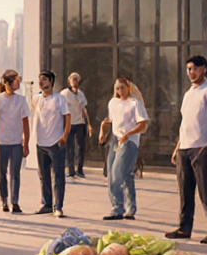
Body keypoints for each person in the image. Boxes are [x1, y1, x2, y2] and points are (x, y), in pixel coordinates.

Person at [166, 55, 207, 244]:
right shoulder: (188, 94)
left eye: (194, 68)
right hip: (185, 147)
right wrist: (177, 147)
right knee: (185, 192)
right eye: (188, 69)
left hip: (202, 148)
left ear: (204, 69)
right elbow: (185, 122)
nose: (191, 72)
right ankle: (184, 228)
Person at [0, 69, 30, 214]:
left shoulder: (21, 100)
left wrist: (26, 144)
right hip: (0, 142)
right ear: (8, 83)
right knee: (1, 173)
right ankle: (4, 200)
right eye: (15, 81)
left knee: (15, 173)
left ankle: (14, 202)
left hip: (16, 142)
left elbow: (25, 123)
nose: (17, 84)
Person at [102, 77, 148, 221]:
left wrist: (128, 134)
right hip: (115, 140)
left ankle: (117, 207)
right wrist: (102, 130)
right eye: (117, 88)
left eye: (122, 88)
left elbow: (143, 124)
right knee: (123, 175)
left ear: (129, 88)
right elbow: (110, 119)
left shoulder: (135, 104)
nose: (120, 91)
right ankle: (130, 208)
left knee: (117, 174)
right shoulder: (113, 103)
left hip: (129, 141)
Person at [32, 71, 71, 217]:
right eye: (39, 79)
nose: (41, 82)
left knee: (58, 176)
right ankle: (47, 203)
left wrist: (64, 136)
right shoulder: (37, 99)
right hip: (40, 142)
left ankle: (58, 206)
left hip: (56, 142)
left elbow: (67, 118)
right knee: (43, 176)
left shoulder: (59, 99)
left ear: (51, 82)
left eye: (44, 79)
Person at [62, 72, 91, 178]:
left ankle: (80, 169)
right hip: (69, 123)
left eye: (77, 79)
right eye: (73, 78)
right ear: (69, 80)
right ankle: (70, 169)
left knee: (80, 147)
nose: (75, 80)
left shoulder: (81, 94)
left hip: (80, 123)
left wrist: (88, 124)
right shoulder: (64, 94)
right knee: (70, 147)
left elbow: (84, 109)